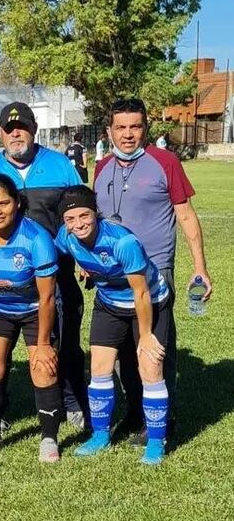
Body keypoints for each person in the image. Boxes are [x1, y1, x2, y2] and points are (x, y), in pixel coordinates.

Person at [0, 102, 87, 428]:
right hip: (1, 281)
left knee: (66, 341)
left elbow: (79, 216)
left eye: (23, 126)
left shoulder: (60, 165)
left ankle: (71, 399)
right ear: (1, 133)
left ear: (33, 128)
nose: (16, 133)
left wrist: (85, 256)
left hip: (55, 274)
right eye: (8, 128)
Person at [94, 97, 211, 443]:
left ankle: (163, 417)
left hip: (155, 271)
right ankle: (135, 413)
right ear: (109, 131)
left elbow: (186, 216)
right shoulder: (101, 167)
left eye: (135, 127)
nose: (128, 135)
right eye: (121, 127)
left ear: (146, 128)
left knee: (156, 346)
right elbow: (95, 221)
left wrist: (200, 268)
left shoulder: (165, 162)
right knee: (122, 350)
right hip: (112, 275)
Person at [54, 186, 171, 465]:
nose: (78, 223)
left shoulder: (123, 242)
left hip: (149, 301)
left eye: (85, 215)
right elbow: (63, 255)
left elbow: (141, 292)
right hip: (109, 304)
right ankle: (100, 435)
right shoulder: (66, 237)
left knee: (149, 367)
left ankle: (156, 442)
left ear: (96, 213)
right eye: (70, 219)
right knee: (99, 368)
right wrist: (87, 267)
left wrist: (145, 336)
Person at [0, 174, 62, 462]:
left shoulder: (37, 238)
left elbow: (47, 298)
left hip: (34, 310)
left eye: (3, 203)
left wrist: (43, 343)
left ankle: (49, 439)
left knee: (43, 367)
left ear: (17, 203)